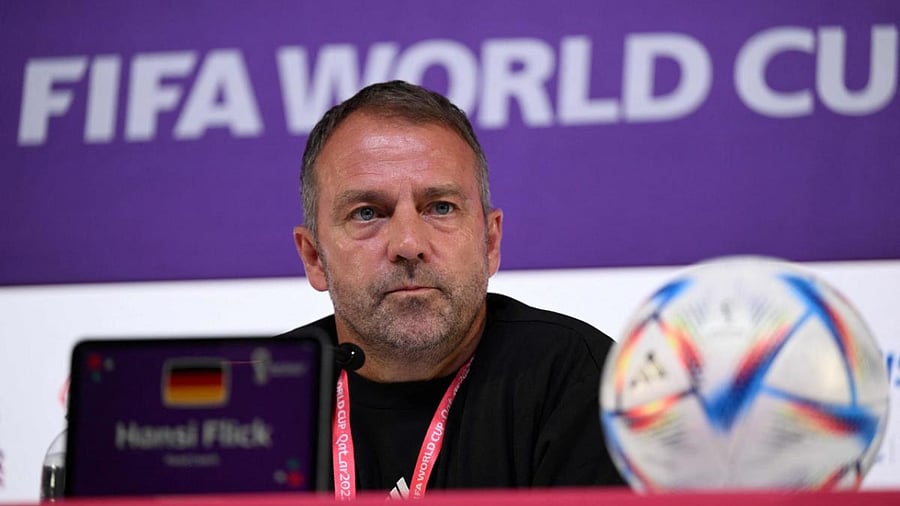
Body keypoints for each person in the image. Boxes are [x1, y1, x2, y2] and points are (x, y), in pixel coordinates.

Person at [280, 80, 625, 498]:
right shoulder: (267, 393)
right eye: (367, 213)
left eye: (440, 207)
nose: (409, 245)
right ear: (314, 257)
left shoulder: (579, 380)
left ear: (490, 242)